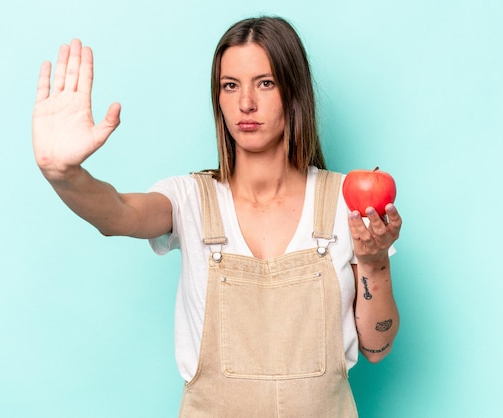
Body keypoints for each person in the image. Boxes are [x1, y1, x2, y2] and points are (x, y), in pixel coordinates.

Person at [32, 16, 402, 418]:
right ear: (218, 98)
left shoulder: (343, 200)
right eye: (231, 85)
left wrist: (373, 260)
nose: (246, 103)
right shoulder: (189, 199)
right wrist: (64, 175)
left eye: (265, 83)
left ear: (293, 92)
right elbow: (117, 214)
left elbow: (376, 347)